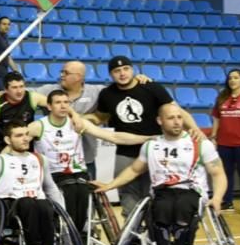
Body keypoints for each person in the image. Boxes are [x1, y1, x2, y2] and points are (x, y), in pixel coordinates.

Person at [93, 103, 227, 245]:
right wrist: (109, 185)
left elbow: (218, 173)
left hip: (192, 191)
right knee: (160, 207)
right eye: (171, 118)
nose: (177, 122)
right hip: (162, 191)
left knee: (183, 206)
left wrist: (218, 198)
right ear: (160, 120)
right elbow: (135, 170)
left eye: (179, 117)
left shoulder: (200, 144)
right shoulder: (151, 145)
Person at [89, 56, 204, 221]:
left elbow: (175, 110)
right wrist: (87, 120)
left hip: (155, 150)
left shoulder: (151, 87)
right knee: (127, 193)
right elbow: (101, 116)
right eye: (117, 71)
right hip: (126, 151)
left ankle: (156, 233)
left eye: (126, 69)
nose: (122, 73)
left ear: (132, 69)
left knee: (157, 192)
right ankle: (132, 236)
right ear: (111, 74)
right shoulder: (107, 94)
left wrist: (194, 128)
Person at [28, 90, 153, 235]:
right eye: (58, 103)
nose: (63, 106)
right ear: (49, 106)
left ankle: (81, 233)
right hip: (53, 174)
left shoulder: (78, 124)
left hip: (77, 173)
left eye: (66, 103)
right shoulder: (37, 126)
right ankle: (66, 233)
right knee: (69, 192)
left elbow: (113, 137)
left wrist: (147, 138)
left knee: (81, 190)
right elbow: (17, 143)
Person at [34, 60, 104, 176]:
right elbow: (26, 94)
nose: (61, 76)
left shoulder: (96, 91)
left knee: (87, 193)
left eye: (65, 73)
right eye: (61, 72)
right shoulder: (49, 90)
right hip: (54, 163)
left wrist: (138, 80)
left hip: (85, 160)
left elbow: (120, 91)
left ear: (79, 77)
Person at [210, 68, 240, 215]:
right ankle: (228, 202)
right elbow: (216, 118)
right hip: (224, 144)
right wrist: (214, 137)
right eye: (230, 78)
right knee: (225, 174)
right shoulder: (222, 97)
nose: (232, 80)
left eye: (236, 77)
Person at [0, 72, 48, 162]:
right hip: (3, 152)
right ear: (6, 89)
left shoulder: (32, 98)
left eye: (21, 86)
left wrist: (73, 115)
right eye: (14, 87)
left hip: (26, 150)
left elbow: (55, 103)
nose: (19, 91)